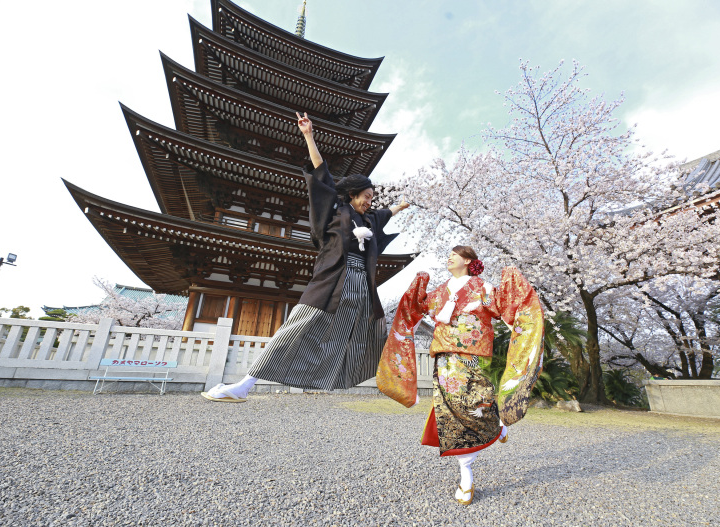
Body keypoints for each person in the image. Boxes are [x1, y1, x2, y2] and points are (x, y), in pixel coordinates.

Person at [202, 112, 409, 401]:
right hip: (333, 282)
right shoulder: (337, 212)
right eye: (366, 196)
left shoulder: (370, 219)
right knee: (296, 328)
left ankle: (394, 384)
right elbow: (322, 175)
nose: (370, 201)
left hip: (361, 287)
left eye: (372, 198)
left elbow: (385, 214)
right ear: (352, 194)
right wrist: (309, 136)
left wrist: (400, 207)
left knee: (369, 334)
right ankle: (244, 386)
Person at [377, 246, 544, 505]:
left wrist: (513, 282)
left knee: (474, 402)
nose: (449, 257)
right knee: (452, 411)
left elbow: (509, 309)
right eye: (449, 254)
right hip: (444, 357)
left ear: (467, 260)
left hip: (472, 356)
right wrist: (418, 286)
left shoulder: (483, 288)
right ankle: (466, 473)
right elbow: (417, 309)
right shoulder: (439, 292)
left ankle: (494, 426)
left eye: (455, 254)